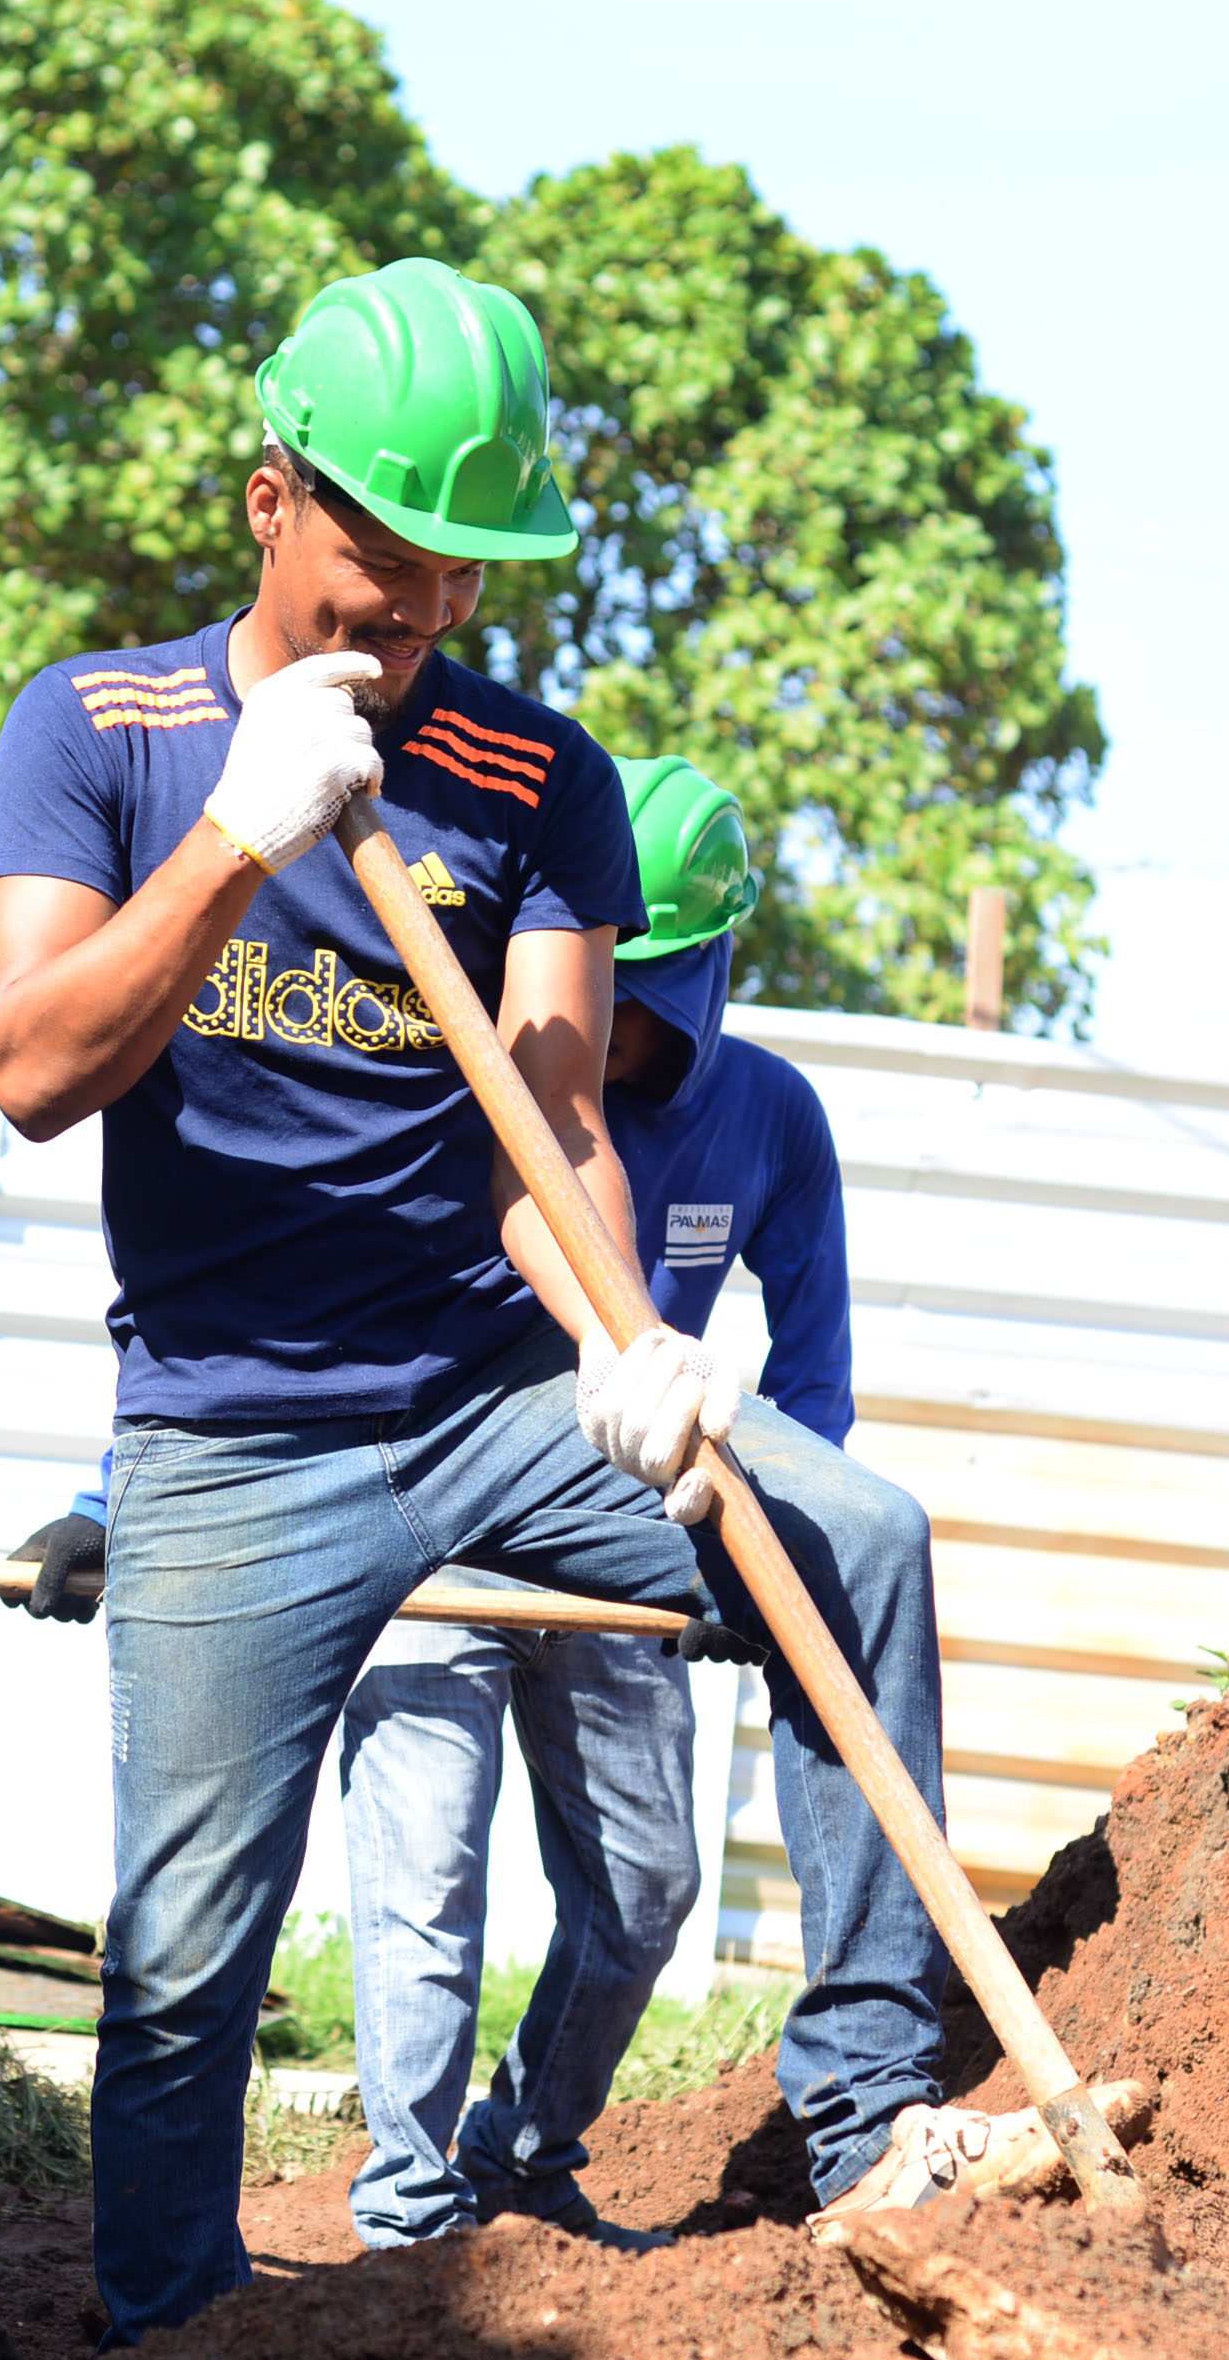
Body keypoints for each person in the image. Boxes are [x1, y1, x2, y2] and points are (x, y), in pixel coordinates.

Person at [0, 255, 1027, 2345]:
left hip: (486, 1395)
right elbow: (29, 1071)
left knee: (860, 1541)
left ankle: (867, 2113)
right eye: (390, 554)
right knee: (182, 1958)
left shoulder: (540, 781)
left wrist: (624, 1342)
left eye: (470, 570)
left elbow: (552, 1120)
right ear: (269, 498)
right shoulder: (98, 732)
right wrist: (231, 848)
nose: (430, 609)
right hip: (227, 1426)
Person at [330, 754, 856, 2254]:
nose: (610, 1014)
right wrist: (110, 1493)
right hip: (433, 1522)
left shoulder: (768, 1120)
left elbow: (813, 1380)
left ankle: (523, 2146)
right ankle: (410, 2216)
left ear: (704, 970)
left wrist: (775, 1560)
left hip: (620, 1531)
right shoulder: (470, 1069)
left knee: (647, 1887)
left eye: (645, 982)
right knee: (423, 1889)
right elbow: (287, 1305)